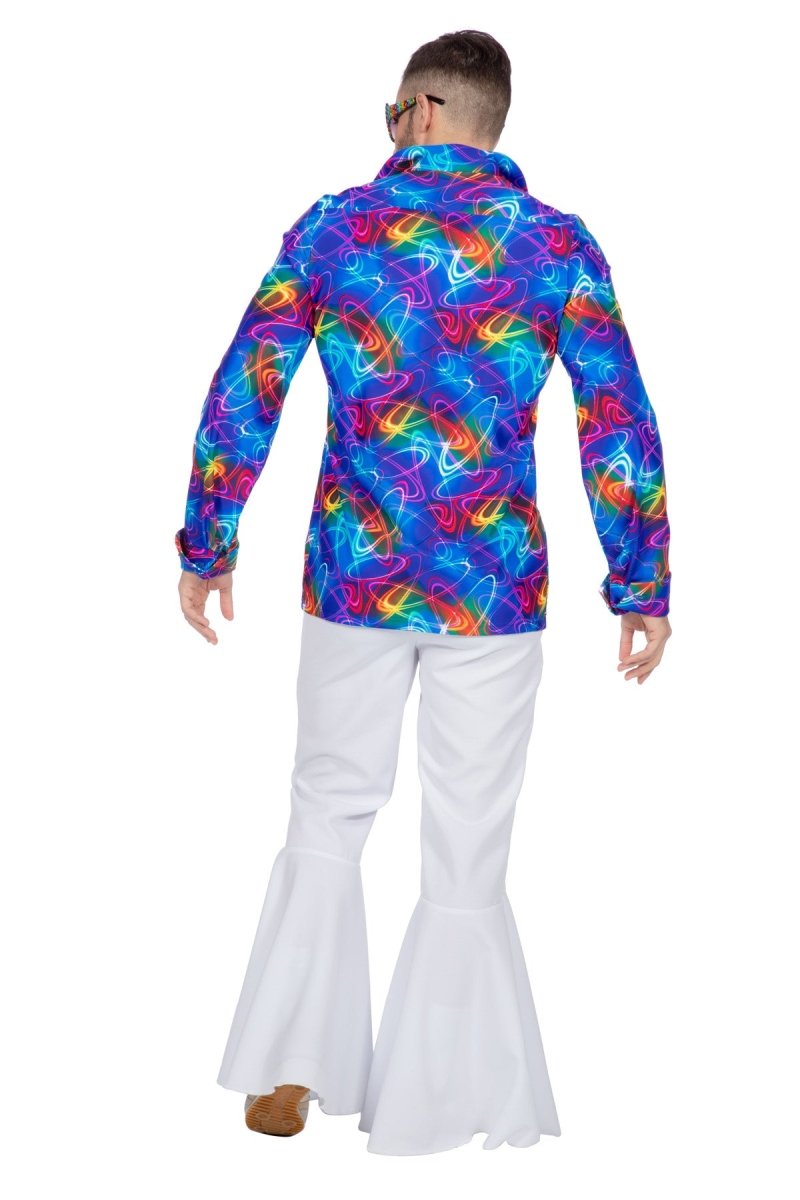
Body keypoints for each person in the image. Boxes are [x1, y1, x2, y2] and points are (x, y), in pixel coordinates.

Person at [174, 29, 673, 1156]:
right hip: (490, 588)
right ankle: (440, 1093)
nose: (388, 129)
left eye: (392, 111)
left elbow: (249, 380)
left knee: (327, 808)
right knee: (469, 842)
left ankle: (291, 1068)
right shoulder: (554, 243)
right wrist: (640, 577)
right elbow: (616, 418)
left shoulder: (337, 226)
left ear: (427, 109)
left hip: (355, 571)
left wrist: (209, 537)